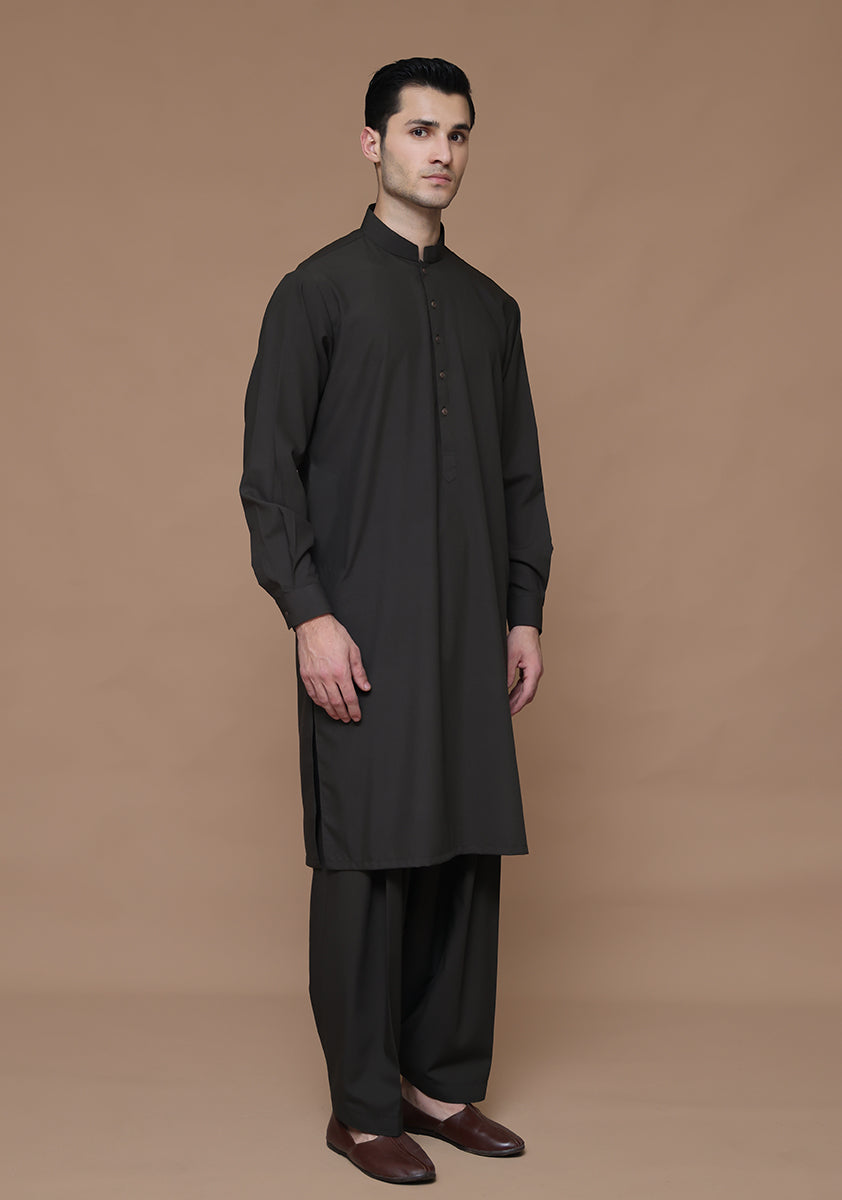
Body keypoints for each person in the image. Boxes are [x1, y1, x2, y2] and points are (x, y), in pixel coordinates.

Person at [238, 56, 552, 1185]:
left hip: (470, 631)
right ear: (372, 143)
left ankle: (441, 1085)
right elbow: (269, 474)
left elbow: (519, 477)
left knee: (464, 852)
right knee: (367, 862)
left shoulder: (490, 308)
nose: (442, 152)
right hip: (361, 629)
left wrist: (522, 611)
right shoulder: (315, 292)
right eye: (420, 131)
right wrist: (308, 614)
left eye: (457, 134)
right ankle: (363, 1106)